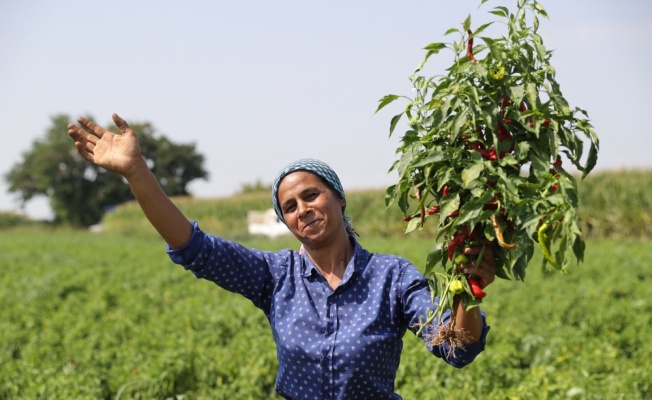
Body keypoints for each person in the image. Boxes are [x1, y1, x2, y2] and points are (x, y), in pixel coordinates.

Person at [67, 113, 496, 400]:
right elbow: (193, 247)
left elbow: (455, 347)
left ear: (339, 199)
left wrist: (469, 290)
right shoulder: (275, 276)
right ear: (286, 222)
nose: (302, 209)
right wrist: (137, 173)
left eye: (311, 195)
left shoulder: (392, 277)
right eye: (289, 207)